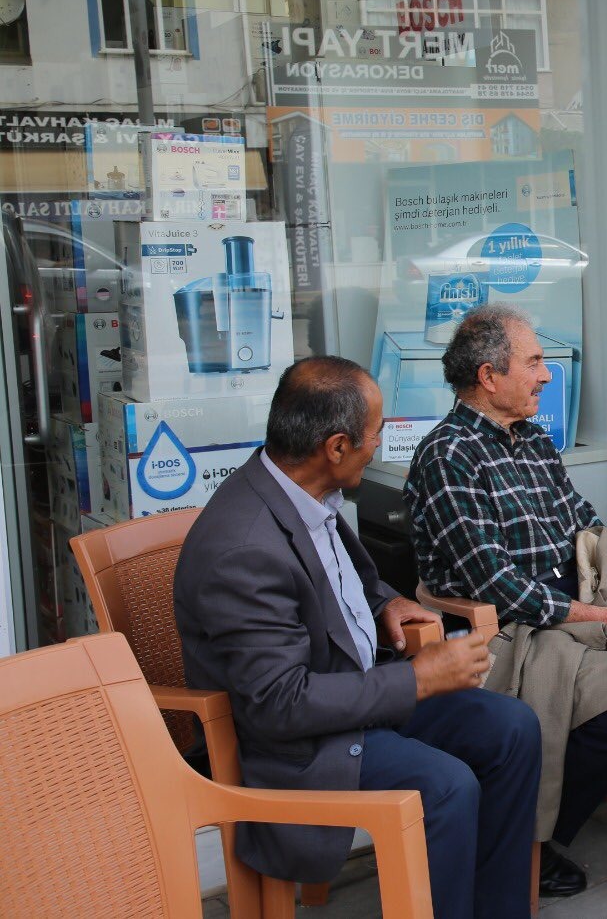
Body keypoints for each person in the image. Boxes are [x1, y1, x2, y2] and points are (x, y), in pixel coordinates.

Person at [174, 357, 542, 919]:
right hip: (299, 744)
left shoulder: (302, 493)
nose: (380, 447)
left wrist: (386, 602)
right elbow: (279, 704)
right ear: (337, 446)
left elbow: (340, 582)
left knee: (512, 728)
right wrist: (417, 679)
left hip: (357, 694)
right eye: (375, 435)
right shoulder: (243, 549)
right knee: (447, 786)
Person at [406, 304, 607, 915]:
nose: (547, 375)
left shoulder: (530, 438)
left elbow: (586, 524)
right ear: (488, 376)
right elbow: (496, 583)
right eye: (533, 362)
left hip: (582, 607)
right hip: (513, 630)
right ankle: (530, 840)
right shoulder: (448, 456)